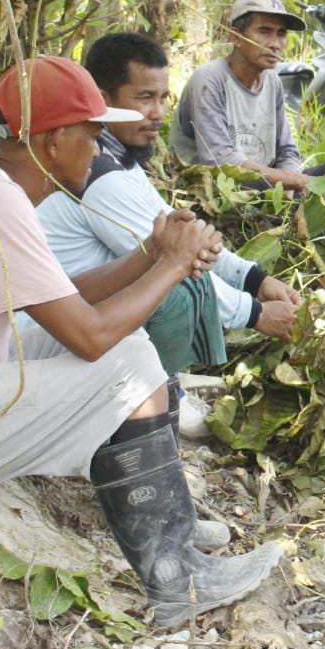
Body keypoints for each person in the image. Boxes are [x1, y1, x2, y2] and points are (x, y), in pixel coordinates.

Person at [0, 56, 282, 626]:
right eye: (91, 135)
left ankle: (177, 537)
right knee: (123, 363)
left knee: (132, 349)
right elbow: (89, 338)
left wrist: (149, 252)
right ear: (52, 139)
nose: (97, 150)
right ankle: (174, 581)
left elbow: (62, 295)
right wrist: (171, 265)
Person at [36, 33, 303, 438]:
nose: (158, 112)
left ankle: (164, 377)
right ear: (102, 97)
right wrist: (257, 315)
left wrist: (257, 280)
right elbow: (174, 260)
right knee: (174, 288)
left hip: (87, 307)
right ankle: (158, 389)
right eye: (144, 98)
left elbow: (180, 235)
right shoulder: (98, 173)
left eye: (163, 98)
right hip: (61, 331)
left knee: (176, 267)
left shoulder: (119, 159)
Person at [170, 0, 325, 195]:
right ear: (235, 36)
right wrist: (293, 181)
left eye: (281, 33)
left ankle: (294, 215)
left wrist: (289, 187)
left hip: (267, 186)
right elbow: (219, 162)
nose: (275, 44)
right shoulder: (209, 79)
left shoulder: (272, 80)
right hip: (222, 188)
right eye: (265, 31)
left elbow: (287, 150)